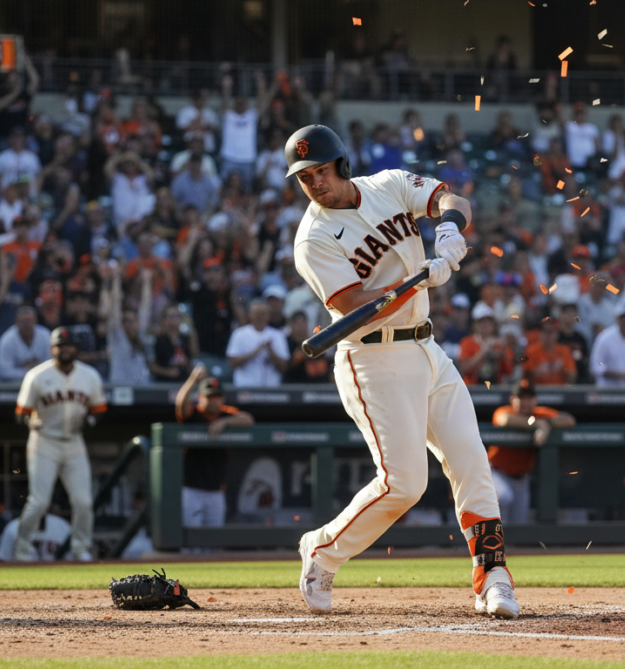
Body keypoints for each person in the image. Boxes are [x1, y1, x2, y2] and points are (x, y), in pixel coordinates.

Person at [287, 124, 518, 618]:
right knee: (404, 483)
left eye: (321, 171)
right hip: (372, 358)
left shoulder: (387, 185)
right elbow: (355, 306)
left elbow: (451, 199)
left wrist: (450, 226)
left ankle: (493, 575)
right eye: (305, 177)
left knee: (472, 461)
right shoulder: (314, 238)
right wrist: (420, 279)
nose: (315, 183)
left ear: (342, 165)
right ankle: (322, 551)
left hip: (426, 348)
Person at [13, 327, 107, 562]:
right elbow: (20, 412)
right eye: (60, 346)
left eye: (69, 345)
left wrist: (92, 420)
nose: (65, 350)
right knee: (39, 501)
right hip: (44, 440)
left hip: (74, 442)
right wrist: (28, 422)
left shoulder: (90, 376)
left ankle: (80, 548)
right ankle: (22, 548)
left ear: (76, 348)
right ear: (52, 349)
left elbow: (100, 410)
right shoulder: (36, 375)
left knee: (83, 501)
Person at [175, 367, 254, 529]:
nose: (214, 401)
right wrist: (191, 380)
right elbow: (181, 405)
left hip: (216, 491)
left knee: (213, 541)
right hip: (191, 490)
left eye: (217, 397)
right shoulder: (194, 415)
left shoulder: (224, 414)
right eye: (210, 397)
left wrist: (224, 422)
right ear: (200, 397)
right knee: (192, 539)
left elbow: (248, 419)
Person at [490, 380, 575, 524]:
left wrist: (547, 423)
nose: (525, 402)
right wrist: (538, 424)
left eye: (529, 398)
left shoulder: (539, 414)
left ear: (535, 400)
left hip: (521, 480)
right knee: (503, 497)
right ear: (512, 400)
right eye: (521, 398)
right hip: (497, 473)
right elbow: (504, 419)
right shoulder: (505, 411)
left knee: (519, 528)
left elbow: (569, 419)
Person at [226, 299, 289, 387]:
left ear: (268, 316)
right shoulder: (239, 334)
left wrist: (270, 350)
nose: (259, 317)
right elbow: (232, 362)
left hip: (272, 390)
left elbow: (284, 367)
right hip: (245, 388)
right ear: (250, 315)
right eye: (256, 313)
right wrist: (256, 351)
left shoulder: (278, 335)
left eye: (263, 313)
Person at [0, 305, 52, 382]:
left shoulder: (46, 336)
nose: (27, 325)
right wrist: (30, 372)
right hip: (14, 386)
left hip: (43, 382)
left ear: (35, 321)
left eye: (29, 321)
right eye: (23, 322)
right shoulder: (7, 340)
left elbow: (52, 365)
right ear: (16, 322)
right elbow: (4, 371)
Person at [522, 317, 577, 385]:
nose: (548, 336)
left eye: (551, 332)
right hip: (538, 390)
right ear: (540, 333)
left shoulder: (564, 350)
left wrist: (562, 367)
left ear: (557, 334)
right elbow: (526, 376)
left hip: (559, 391)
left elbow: (572, 376)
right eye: (545, 332)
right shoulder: (531, 351)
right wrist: (540, 370)